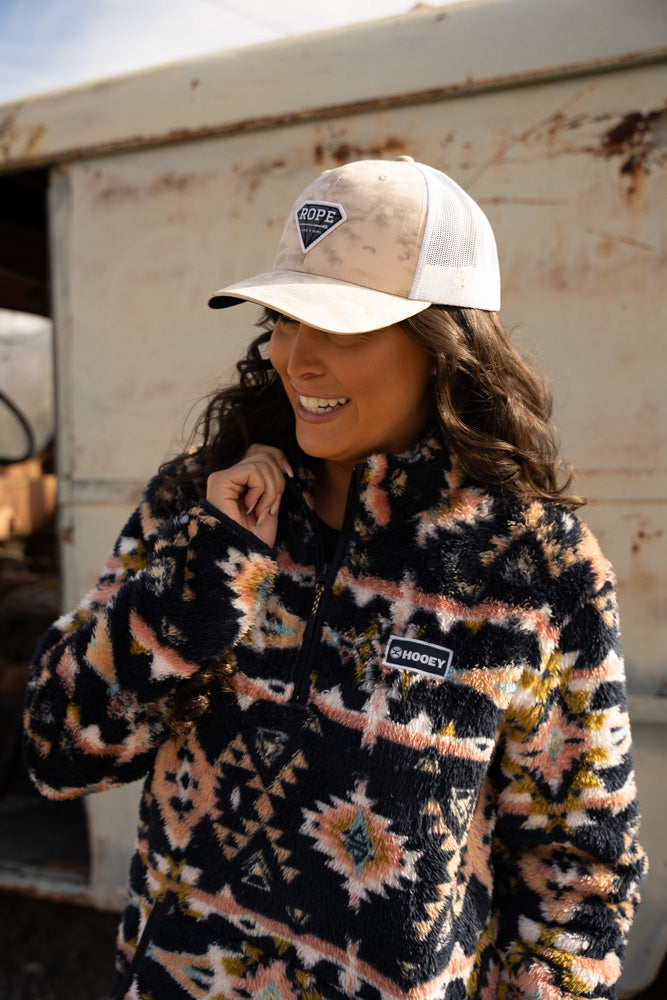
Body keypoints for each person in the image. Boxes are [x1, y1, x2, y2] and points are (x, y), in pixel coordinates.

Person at [23, 156, 646, 1000]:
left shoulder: (541, 568)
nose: (296, 359)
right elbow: (58, 754)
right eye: (282, 319)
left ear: (445, 342)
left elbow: (578, 865)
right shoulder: (195, 501)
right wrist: (206, 577)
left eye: (342, 327)